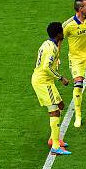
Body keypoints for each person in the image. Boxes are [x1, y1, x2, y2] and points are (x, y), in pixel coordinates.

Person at [31, 22, 71, 155]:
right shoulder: (51, 49)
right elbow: (46, 67)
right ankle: (55, 146)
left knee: (60, 105)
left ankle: (53, 139)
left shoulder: (48, 43)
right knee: (54, 111)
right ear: (59, 34)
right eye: (62, 31)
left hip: (46, 81)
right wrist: (61, 78)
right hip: (43, 82)